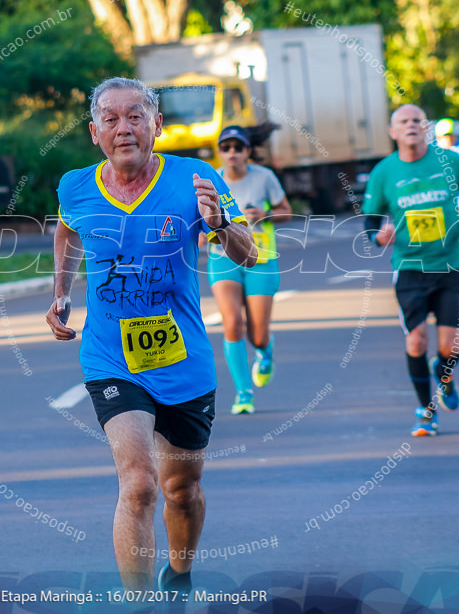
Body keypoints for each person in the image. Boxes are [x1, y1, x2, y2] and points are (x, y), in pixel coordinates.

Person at [45, 77, 256, 595]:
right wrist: (60, 292)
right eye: (111, 119)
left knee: (181, 490)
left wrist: (220, 223)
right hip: (110, 355)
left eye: (135, 116)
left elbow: (248, 253)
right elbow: (68, 229)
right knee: (138, 486)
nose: (124, 129)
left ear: (157, 125)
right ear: (95, 132)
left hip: (182, 360)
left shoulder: (196, 177)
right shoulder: (75, 185)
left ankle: (179, 576)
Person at [363, 104, 459, 436]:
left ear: (426, 128)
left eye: (417, 120)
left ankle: (444, 375)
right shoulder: (384, 172)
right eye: (404, 121)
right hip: (410, 268)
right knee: (415, 342)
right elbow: (370, 219)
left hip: (452, 266)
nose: (412, 125)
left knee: (449, 347)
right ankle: (426, 411)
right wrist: (377, 236)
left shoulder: (449, 162)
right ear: (393, 131)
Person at [206, 126, 292, 414]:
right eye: (226, 147)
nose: (232, 153)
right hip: (222, 257)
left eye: (237, 147)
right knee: (231, 324)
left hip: (261, 259)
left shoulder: (264, 177)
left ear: (247, 151)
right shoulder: (212, 179)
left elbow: (287, 211)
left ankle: (265, 350)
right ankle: (244, 393)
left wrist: (266, 214)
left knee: (257, 335)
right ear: (220, 152)